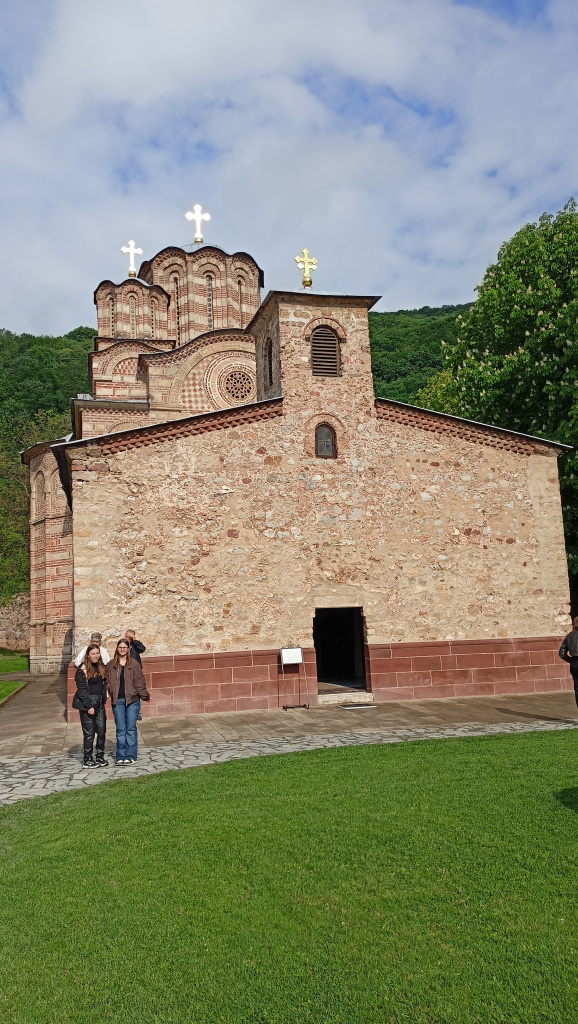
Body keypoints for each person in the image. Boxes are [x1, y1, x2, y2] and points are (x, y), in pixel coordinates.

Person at [106, 638, 150, 766]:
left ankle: (131, 755)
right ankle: (121, 756)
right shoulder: (111, 665)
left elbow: (139, 682)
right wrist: (108, 691)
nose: (122, 649)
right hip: (117, 701)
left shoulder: (134, 664)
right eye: (120, 647)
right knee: (120, 729)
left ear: (128, 649)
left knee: (130, 729)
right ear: (117, 649)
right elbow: (106, 680)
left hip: (132, 701)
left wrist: (145, 696)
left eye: (124, 647)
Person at [72, 643, 109, 769]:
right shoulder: (82, 670)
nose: (96, 656)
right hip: (87, 702)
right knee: (89, 733)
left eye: (97, 653)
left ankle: (100, 756)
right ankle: (87, 759)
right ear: (88, 655)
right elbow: (82, 690)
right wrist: (89, 707)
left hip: (99, 701)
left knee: (101, 730)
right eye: (93, 654)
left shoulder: (101, 667)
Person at [125, 630, 146, 720]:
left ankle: (137, 712)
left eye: (129, 637)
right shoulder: (122, 646)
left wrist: (134, 641)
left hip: (136, 673)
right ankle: (127, 712)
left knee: (138, 691)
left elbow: (142, 649)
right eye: (126, 636)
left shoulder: (135, 646)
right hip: (126, 672)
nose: (127, 638)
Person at [559, 617, 578, 709]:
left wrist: (571, 660)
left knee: (577, 688)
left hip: (575, 663)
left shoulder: (569, 636)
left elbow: (562, 653)